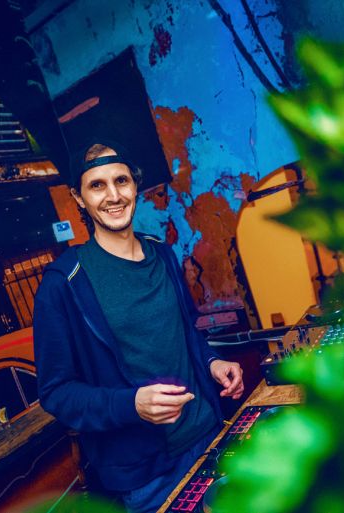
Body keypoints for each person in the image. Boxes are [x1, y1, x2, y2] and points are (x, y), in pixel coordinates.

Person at [33, 140, 244, 513]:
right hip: (148, 478)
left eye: (121, 181)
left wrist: (212, 362)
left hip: (209, 433)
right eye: (97, 185)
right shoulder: (64, 283)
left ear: (135, 186)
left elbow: (187, 331)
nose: (113, 196)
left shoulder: (161, 252)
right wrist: (130, 405)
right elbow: (56, 393)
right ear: (79, 197)